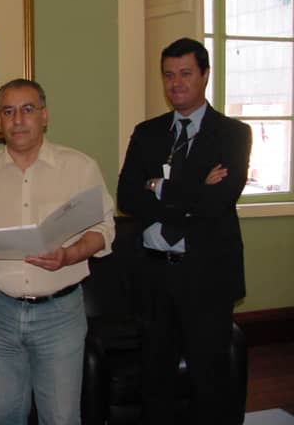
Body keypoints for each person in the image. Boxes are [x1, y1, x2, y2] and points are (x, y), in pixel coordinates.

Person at [0, 78, 115, 425]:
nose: (18, 120)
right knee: (1, 417)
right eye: (8, 111)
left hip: (59, 314)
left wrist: (70, 255)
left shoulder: (80, 167)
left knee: (60, 418)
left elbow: (105, 230)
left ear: (44, 116)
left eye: (27, 110)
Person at [117, 37, 252, 425]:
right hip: (154, 273)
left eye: (186, 74)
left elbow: (218, 201)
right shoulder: (148, 133)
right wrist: (194, 187)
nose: (176, 83)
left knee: (208, 379)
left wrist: (158, 186)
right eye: (169, 75)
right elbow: (127, 196)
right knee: (155, 376)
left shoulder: (232, 134)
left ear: (205, 75)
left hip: (207, 274)